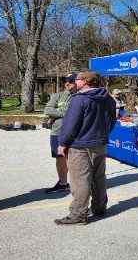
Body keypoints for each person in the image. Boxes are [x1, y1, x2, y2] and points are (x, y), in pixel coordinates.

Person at [54, 71, 117, 226]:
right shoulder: (108, 99)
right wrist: (103, 134)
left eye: (77, 79)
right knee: (98, 177)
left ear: (85, 81)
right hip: (100, 143)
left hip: (80, 145)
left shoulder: (79, 99)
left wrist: (63, 143)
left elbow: (70, 124)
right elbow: (112, 121)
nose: (75, 81)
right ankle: (100, 207)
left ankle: (78, 214)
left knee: (80, 180)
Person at [43, 73, 78, 193]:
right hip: (56, 132)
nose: (68, 83)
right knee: (59, 158)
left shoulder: (79, 97)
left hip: (73, 133)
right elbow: (48, 110)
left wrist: (57, 112)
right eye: (67, 81)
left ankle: (77, 184)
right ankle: (63, 183)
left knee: (74, 158)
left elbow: (77, 113)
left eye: (72, 81)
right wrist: (65, 113)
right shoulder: (57, 96)